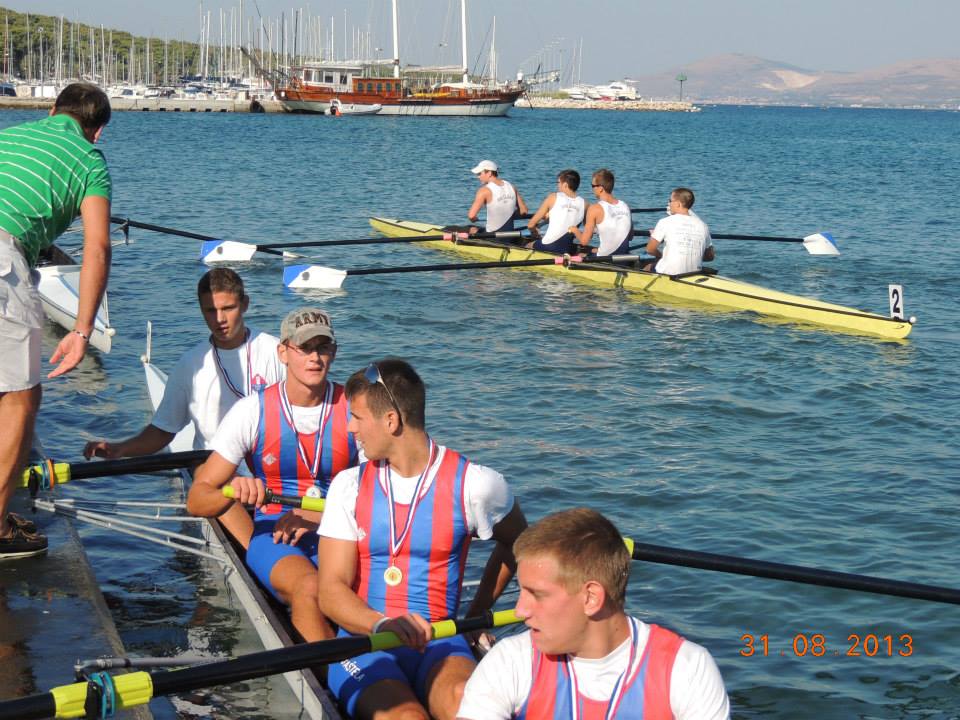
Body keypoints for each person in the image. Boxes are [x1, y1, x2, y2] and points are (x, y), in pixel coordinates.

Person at [317, 359, 528, 720]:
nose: (350, 427)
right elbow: (331, 591)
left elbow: (523, 546)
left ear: (391, 421)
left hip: (440, 638)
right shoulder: (348, 486)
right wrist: (381, 624)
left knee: (466, 704)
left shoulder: (476, 485)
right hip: (364, 641)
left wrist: (477, 616)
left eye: (357, 417)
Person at [457, 508, 730, 720]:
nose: (520, 611)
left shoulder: (687, 668)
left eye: (536, 594)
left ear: (591, 598)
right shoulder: (510, 661)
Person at [187, 307, 358, 642]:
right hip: (275, 531)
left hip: (341, 526)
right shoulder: (251, 411)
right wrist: (234, 491)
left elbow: (383, 491)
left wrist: (318, 517)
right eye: (304, 348)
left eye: (323, 348)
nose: (315, 358)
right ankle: (330, 672)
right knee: (310, 588)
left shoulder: (356, 409)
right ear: (283, 352)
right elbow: (197, 498)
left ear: (334, 352)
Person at [82, 268, 285, 547]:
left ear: (245, 304)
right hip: (216, 470)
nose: (219, 319)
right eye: (210, 311)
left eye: (228, 308)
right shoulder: (191, 365)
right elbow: (162, 431)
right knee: (208, 471)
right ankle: (257, 554)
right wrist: (119, 449)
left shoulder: (276, 352)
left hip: (271, 469)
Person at [0, 82, 112, 559]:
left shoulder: (9, 135)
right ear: (97, 131)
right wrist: (82, 331)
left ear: (51, 111)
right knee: (21, 398)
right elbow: (97, 248)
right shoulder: (90, 162)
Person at [645, 187, 714, 274]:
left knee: (647, 267)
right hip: (694, 273)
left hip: (670, 274)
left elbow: (650, 249)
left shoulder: (665, 222)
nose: (668, 204)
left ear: (678, 204)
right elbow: (710, 257)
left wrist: (662, 256)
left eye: (670, 201)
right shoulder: (703, 225)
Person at [568, 169, 632, 257]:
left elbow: (584, 241)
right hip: (624, 258)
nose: (592, 189)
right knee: (594, 249)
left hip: (605, 259)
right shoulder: (625, 206)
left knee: (580, 254)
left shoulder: (594, 209)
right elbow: (630, 236)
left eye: (593, 186)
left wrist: (574, 230)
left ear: (601, 188)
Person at [525, 169, 585, 255]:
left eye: (558, 183)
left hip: (548, 247)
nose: (557, 185)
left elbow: (530, 225)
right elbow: (588, 235)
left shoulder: (553, 197)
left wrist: (535, 233)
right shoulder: (585, 204)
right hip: (566, 249)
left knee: (528, 245)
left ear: (565, 185)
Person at [467, 160, 529, 234]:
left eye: (480, 173)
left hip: (493, 236)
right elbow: (524, 211)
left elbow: (471, 216)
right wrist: (508, 214)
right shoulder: (511, 187)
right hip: (510, 234)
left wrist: (474, 219)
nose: (478, 177)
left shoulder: (484, 191)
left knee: (471, 229)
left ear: (489, 173)